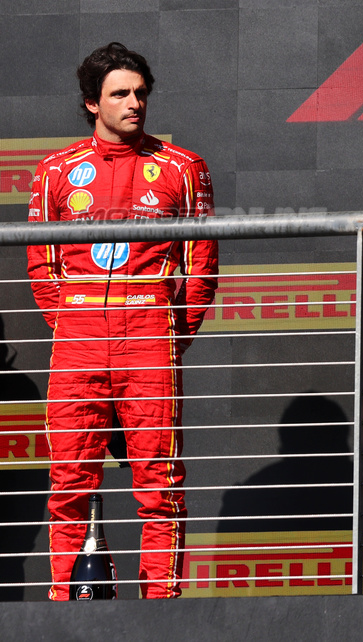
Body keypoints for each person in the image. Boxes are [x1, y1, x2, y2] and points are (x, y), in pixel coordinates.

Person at [27, 42, 218, 599]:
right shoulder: (56, 171)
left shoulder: (183, 168)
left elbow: (201, 264)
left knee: (159, 485)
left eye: (140, 93)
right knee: (69, 483)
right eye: (120, 94)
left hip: (149, 343)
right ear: (92, 103)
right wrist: (68, 325)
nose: (135, 103)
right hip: (78, 343)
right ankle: (65, 604)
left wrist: (170, 335)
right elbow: (43, 267)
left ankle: (161, 610)